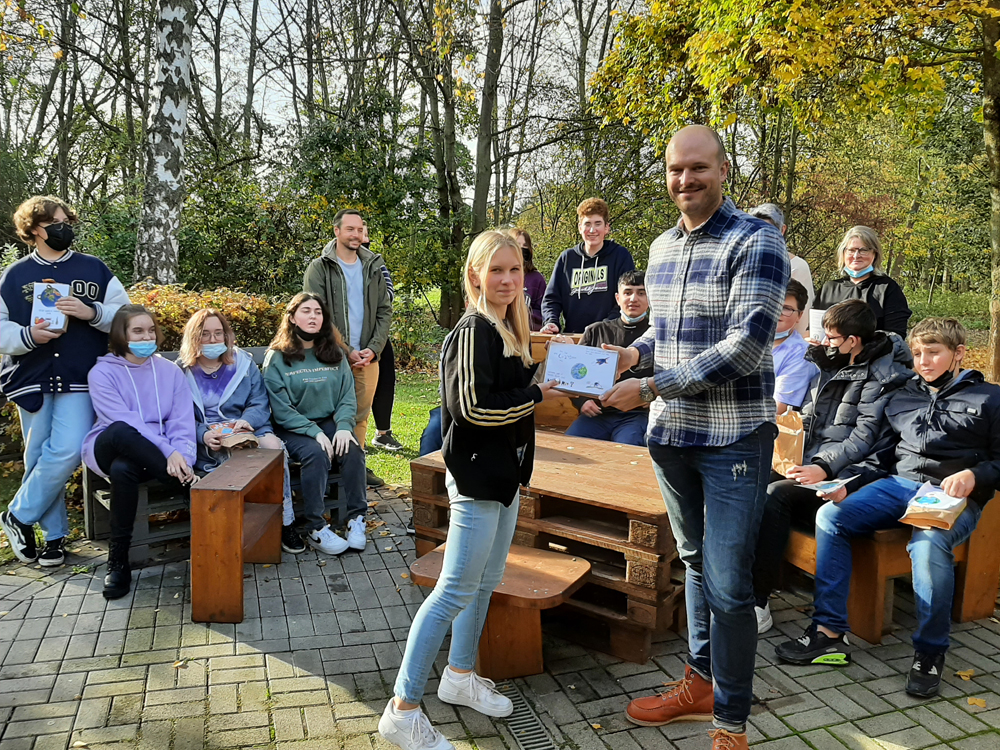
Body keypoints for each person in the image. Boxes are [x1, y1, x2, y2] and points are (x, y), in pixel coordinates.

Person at [601, 125, 788, 750]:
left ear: (724, 169)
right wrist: (629, 357)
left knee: (730, 583)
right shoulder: (658, 247)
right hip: (672, 438)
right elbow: (669, 333)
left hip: (733, 438)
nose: (686, 180)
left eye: (698, 168)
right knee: (694, 566)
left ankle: (731, 720)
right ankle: (701, 683)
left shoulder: (757, 240)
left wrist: (650, 389)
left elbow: (746, 345)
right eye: (676, 169)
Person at [378, 231, 561, 750]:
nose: (507, 280)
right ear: (475, 274)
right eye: (496, 270)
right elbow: (471, 409)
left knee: (486, 581)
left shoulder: (505, 327)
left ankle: (459, 676)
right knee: (454, 590)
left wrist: (538, 379)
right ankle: (403, 709)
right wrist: (535, 394)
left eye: (514, 270)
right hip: (478, 475)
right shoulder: (474, 329)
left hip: (505, 474)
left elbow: (503, 392)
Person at [775, 317, 999, 699]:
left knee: (928, 546)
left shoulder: (990, 398)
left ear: (958, 353)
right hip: (898, 486)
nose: (923, 361)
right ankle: (829, 633)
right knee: (830, 516)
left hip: (951, 497)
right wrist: (849, 485)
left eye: (934, 353)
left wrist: (975, 475)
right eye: (917, 354)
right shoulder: (902, 393)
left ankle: (929, 653)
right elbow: (881, 455)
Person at [752, 299, 911, 633]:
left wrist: (822, 467)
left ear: (853, 341)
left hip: (847, 477)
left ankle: (757, 600)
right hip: (813, 462)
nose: (823, 342)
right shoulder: (832, 364)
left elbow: (863, 438)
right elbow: (812, 416)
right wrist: (787, 436)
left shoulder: (882, 378)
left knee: (774, 497)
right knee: (746, 480)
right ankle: (733, 583)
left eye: (831, 338)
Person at [0, 196, 129, 567]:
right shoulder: (15, 276)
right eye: (56, 222)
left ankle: (17, 515)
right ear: (36, 230)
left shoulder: (94, 269)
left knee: (69, 450)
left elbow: (125, 313)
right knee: (38, 457)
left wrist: (92, 312)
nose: (64, 227)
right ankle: (53, 539)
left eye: (66, 221)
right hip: (30, 377)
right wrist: (28, 336)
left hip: (79, 377)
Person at [80, 306, 197, 599]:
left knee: (124, 470)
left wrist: (183, 456)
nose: (148, 336)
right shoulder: (102, 373)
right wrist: (168, 452)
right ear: (121, 334)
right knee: (121, 433)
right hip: (109, 445)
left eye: (150, 330)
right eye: (138, 331)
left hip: (147, 459)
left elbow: (182, 421)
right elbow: (125, 422)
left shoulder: (170, 372)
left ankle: (117, 561)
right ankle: (191, 487)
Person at [178, 308, 305, 555]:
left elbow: (259, 402)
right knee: (228, 458)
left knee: (273, 448)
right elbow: (177, 417)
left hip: (247, 430)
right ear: (194, 338)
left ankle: (285, 522)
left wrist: (247, 421)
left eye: (219, 333)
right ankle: (232, 533)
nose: (213, 340)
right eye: (205, 334)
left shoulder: (243, 364)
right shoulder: (180, 371)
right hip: (208, 441)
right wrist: (202, 433)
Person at [262, 293, 369, 556]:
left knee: (352, 448)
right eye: (306, 311)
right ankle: (316, 526)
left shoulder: (334, 353)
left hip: (329, 421)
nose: (313, 316)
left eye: (318, 312)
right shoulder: (277, 358)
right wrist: (314, 432)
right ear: (292, 317)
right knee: (316, 452)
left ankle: (357, 519)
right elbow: (281, 410)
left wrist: (344, 426)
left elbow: (346, 396)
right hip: (292, 427)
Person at [303, 209, 392, 487]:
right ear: (336, 231)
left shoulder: (374, 266)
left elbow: (384, 311)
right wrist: (344, 349)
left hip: (367, 357)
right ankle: (330, 470)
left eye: (360, 229)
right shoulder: (319, 268)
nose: (356, 234)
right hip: (330, 357)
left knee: (360, 416)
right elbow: (315, 313)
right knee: (329, 414)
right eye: (350, 229)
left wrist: (373, 349)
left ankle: (356, 468)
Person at [564, 270, 652, 446]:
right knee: (571, 446)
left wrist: (652, 399)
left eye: (641, 293)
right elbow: (573, 375)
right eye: (628, 292)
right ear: (618, 298)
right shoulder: (596, 331)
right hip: (597, 414)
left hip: (638, 416)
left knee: (629, 451)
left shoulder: (657, 336)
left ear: (649, 299)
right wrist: (581, 403)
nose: (634, 298)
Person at [540, 198, 635, 334]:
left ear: (606, 227)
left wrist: (605, 326)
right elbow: (551, 298)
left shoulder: (620, 256)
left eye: (598, 224)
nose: (592, 230)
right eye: (587, 224)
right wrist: (551, 321)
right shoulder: (567, 258)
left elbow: (628, 296)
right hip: (573, 337)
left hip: (609, 337)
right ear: (580, 227)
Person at [816, 226, 910, 338]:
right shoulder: (829, 288)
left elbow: (895, 336)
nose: (856, 256)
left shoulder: (887, 288)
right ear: (843, 253)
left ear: (874, 254)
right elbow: (814, 330)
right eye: (851, 250)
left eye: (864, 250)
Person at [364, 221, 405, 453]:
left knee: (385, 380)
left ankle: (383, 434)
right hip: (350, 338)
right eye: (359, 233)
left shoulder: (377, 264)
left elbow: (388, 294)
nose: (363, 239)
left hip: (378, 334)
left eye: (366, 234)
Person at [748, 203, 814, 338]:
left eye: (769, 230)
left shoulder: (797, 266)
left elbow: (803, 318)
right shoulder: (742, 263)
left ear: (782, 230)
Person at [771, 279, 819, 415]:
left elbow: (779, 408)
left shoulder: (802, 354)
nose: (777, 312)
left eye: (786, 308)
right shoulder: (745, 340)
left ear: (800, 315)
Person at [509, 228, 546, 331]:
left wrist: (524, 316)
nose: (521, 250)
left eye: (525, 246)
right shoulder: (502, 277)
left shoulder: (537, 279)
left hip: (528, 334)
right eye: (517, 245)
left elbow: (543, 312)